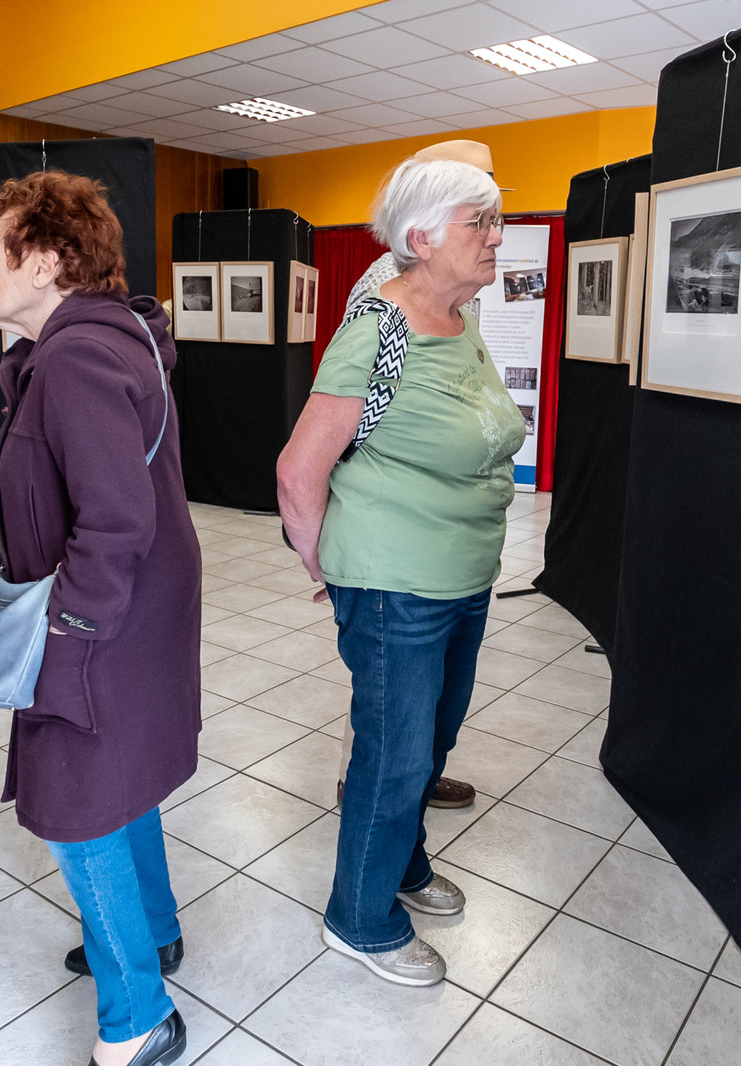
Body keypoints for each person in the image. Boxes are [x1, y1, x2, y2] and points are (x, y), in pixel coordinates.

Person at [278, 158, 525, 986]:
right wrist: (329, 566)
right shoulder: (376, 331)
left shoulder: (464, 316)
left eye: (497, 220)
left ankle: (406, 866)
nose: (496, 237)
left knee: (431, 742)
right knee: (394, 756)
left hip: (462, 575)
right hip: (395, 585)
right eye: (478, 223)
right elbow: (297, 471)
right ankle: (360, 917)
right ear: (420, 239)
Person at [0, 170, 200, 1066]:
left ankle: (141, 1016)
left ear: (49, 261)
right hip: (136, 608)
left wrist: (66, 635)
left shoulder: (73, 357)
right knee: (119, 776)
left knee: (77, 806)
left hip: (105, 615)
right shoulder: (95, 344)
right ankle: (156, 934)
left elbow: (114, 518)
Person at [329, 138, 512, 814]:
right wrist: (335, 542)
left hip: (446, 534)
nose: (491, 222)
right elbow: (351, 419)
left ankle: (415, 777)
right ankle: (369, 787)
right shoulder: (385, 286)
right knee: (390, 700)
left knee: (424, 696)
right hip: (394, 539)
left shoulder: (459, 279)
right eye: (478, 199)